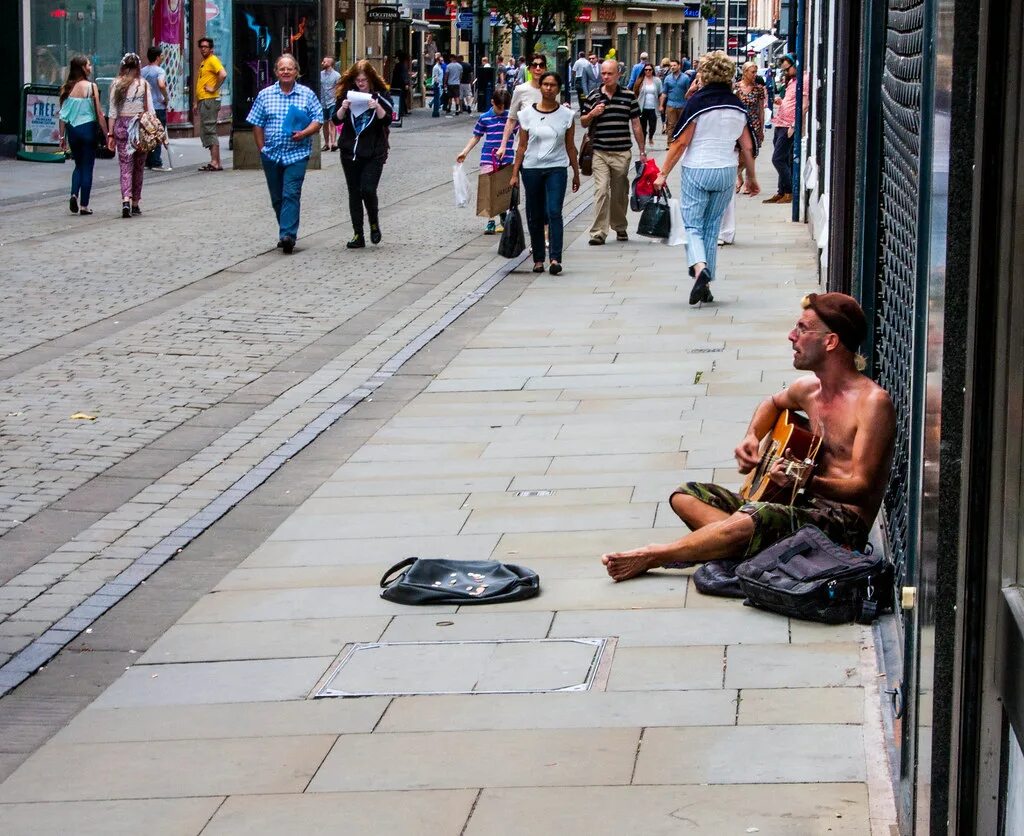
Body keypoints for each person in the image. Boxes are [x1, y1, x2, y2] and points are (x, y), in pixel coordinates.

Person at [602, 293, 896, 582]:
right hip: (796, 504)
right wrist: (752, 437)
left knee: (753, 516)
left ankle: (657, 554)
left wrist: (806, 481)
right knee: (685, 495)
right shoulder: (808, 390)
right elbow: (772, 403)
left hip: (840, 526)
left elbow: (863, 488)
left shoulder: (872, 403)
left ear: (831, 341)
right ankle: (749, 547)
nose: (791, 336)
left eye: (803, 328)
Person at [652, 51, 759, 304]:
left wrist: (663, 173)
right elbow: (747, 146)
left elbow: (680, 143)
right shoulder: (737, 105)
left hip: (698, 168)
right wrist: (751, 178)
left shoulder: (698, 102)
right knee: (712, 227)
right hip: (726, 170)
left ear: (705, 74)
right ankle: (706, 286)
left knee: (693, 226)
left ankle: (700, 268)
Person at [246, 53, 322, 254]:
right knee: (277, 197)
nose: (286, 71)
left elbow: (318, 120)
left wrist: (304, 132)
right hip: (271, 155)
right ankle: (285, 229)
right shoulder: (265, 95)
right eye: (282, 68)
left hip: (296, 154)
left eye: (290, 68)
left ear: (296, 72)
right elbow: (257, 122)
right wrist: (262, 148)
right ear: (276, 72)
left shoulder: (307, 94)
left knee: (291, 193)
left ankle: (288, 235)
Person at [509, 72, 580, 276]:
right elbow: (521, 146)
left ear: (558, 88)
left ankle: (555, 258)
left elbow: (570, 146)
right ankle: (538, 259)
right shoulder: (526, 115)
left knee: (554, 211)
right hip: (531, 169)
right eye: (545, 85)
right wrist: (515, 174)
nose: (549, 88)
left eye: (553, 85)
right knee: (535, 214)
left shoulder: (567, 115)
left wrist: (576, 172)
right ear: (540, 88)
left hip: (556, 168)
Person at [580, 59, 646, 246]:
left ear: (618, 74)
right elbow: (583, 122)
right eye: (603, 73)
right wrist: (593, 113)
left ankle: (619, 225)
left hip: (621, 152)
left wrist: (642, 150)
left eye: (610, 73)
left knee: (619, 191)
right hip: (600, 152)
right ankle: (598, 232)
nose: (606, 77)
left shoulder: (628, 96)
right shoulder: (593, 96)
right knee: (601, 190)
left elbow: (635, 123)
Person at [334, 59, 393, 249]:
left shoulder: (380, 96)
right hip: (349, 152)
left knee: (367, 189)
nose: (361, 84)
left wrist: (377, 107)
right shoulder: (347, 96)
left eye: (364, 80)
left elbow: (389, 119)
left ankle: (374, 224)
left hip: (374, 152)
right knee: (354, 192)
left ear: (371, 80)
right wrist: (343, 107)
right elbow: (335, 120)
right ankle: (358, 233)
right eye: (358, 81)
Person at [719, 60, 768, 246]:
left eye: (756, 71)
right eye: (752, 71)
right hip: (738, 124)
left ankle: (746, 180)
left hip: (753, 124)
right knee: (740, 155)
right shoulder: (736, 88)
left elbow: (761, 110)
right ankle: (740, 176)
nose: (754, 74)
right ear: (745, 72)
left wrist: (762, 128)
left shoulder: (758, 89)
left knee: (751, 153)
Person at [457, 88, 516, 235]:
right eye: (498, 107)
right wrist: (465, 152)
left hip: (506, 156)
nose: (502, 110)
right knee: (488, 189)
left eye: (504, 107)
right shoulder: (484, 117)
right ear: (492, 102)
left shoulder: (511, 118)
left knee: (503, 189)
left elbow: (521, 135)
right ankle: (490, 221)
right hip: (488, 157)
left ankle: (502, 214)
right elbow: (476, 136)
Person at [58, 55, 108, 216]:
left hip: (73, 130)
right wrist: (108, 135)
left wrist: (61, 137)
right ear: (83, 68)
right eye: (89, 64)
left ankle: (73, 193)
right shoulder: (91, 87)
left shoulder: (66, 88)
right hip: (88, 129)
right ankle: (84, 205)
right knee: (88, 167)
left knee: (78, 165)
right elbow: (99, 114)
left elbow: (62, 116)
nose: (91, 67)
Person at [106, 52, 153, 219]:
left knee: (125, 166)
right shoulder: (143, 85)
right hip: (139, 128)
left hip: (122, 127)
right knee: (139, 167)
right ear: (138, 67)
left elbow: (112, 112)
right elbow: (150, 110)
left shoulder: (116, 85)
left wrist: (110, 134)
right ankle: (135, 203)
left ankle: (126, 199)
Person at [765, 54, 808, 205]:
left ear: (796, 65)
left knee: (777, 158)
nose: (785, 72)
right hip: (780, 122)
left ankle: (789, 191)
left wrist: (794, 125)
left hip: (788, 125)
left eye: (787, 69)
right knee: (783, 159)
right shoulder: (793, 81)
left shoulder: (804, 80)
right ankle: (781, 191)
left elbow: (804, 105)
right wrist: (781, 102)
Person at [496, 54, 547, 160]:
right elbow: (511, 120)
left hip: (547, 147)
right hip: (525, 147)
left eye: (541, 65)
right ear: (529, 69)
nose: (538, 68)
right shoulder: (520, 90)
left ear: (545, 69)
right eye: (534, 65)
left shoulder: (552, 90)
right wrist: (503, 145)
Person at [195, 37, 227, 171]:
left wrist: (214, 88)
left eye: (205, 47)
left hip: (209, 100)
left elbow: (223, 74)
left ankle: (215, 162)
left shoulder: (213, 60)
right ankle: (215, 161)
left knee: (209, 129)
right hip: (204, 100)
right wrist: (196, 102)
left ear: (211, 48)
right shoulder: (204, 62)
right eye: (201, 46)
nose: (203, 49)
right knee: (207, 130)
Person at [141, 47, 170, 171]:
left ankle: (147, 161)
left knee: (148, 132)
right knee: (158, 132)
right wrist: (165, 97)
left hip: (146, 106)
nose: (162, 57)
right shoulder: (160, 71)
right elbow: (161, 84)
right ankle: (156, 162)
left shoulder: (142, 71)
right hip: (158, 105)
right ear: (158, 57)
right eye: (161, 55)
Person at [660, 59, 688, 144]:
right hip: (671, 105)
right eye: (671, 66)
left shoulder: (685, 78)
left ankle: (680, 142)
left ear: (679, 66)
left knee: (681, 125)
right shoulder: (667, 78)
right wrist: (661, 105)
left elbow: (688, 92)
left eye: (674, 65)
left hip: (682, 105)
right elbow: (664, 93)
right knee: (671, 125)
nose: (672, 67)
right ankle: (670, 143)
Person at [632, 63, 662, 146]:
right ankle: (643, 144)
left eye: (649, 70)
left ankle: (651, 136)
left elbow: (661, 93)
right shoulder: (640, 80)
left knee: (653, 126)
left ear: (652, 70)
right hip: (642, 107)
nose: (648, 71)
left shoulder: (657, 81)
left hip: (653, 107)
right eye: (646, 70)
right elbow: (635, 93)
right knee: (643, 127)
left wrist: (661, 105)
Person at [320, 56, 342, 150]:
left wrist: (338, 100)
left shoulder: (337, 75)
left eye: (324, 62)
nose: (322, 63)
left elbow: (339, 89)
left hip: (332, 101)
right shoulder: (320, 74)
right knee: (324, 123)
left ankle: (333, 143)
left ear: (330, 63)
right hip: (323, 101)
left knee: (332, 122)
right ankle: (326, 144)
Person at [390, 51, 411, 119]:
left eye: (396, 58)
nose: (395, 59)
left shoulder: (400, 65)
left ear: (398, 58)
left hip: (399, 85)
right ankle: (404, 111)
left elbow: (403, 75)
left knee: (400, 98)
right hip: (399, 85)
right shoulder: (401, 65)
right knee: (401, 98)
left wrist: (406, 83)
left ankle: (402, 111)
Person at [431, 53, 445, 117]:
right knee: (437, 97)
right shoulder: (436, 67)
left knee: (438, 97)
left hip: (440, 83)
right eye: (441, 61)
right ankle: (435, 111)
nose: (442, 62)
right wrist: (436, 83)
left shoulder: (440, 67)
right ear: (438, 61)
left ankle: (435, 109)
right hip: (437, 84)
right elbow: (435, 76)